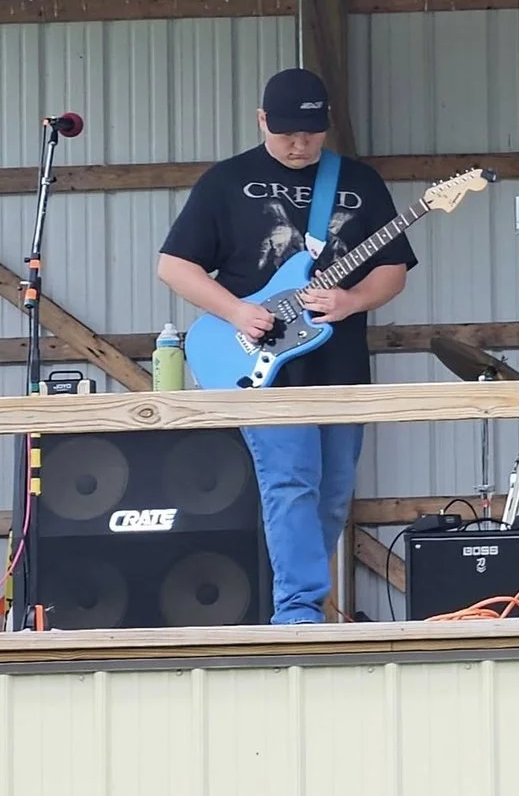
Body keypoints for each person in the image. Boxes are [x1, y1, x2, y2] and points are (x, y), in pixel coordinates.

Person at [156, 68, 416, 623]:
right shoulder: (227, 181)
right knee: (291, 481)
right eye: (287, 133)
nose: (300, 144)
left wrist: (350, 301)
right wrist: (237, 310)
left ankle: (303, 599)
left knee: (333, 494)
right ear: (262, 121)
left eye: (312, 132)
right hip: (265, 365)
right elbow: (174, 265)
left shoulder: (359, 181)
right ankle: (297, 611)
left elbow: (394, 270)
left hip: (341, 363)